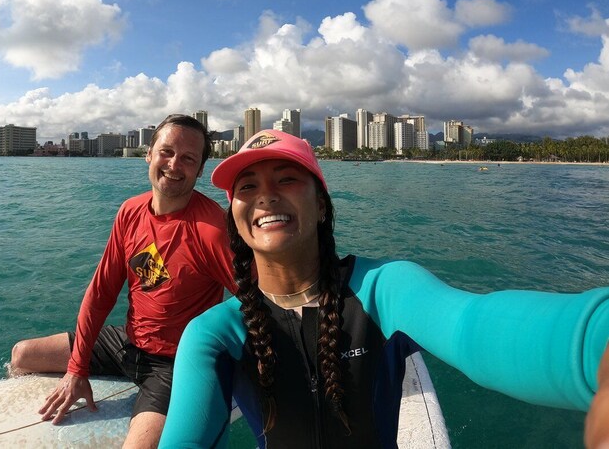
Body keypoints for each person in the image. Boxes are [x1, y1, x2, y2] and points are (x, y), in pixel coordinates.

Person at [159, 129, 609, 448]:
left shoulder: (383, 289)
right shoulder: (215, 334)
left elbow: (474, 326)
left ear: (320, 206)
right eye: (248, 186)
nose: (265, 195)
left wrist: (597, 348)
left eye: (286, 178)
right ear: (235, 217)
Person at [9, 114, 235, 449]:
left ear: (200, 169)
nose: (175, 164)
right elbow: (100, 293)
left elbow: (257, 302)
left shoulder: (212, 229)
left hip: (174, 366)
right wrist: (77, 369)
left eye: (189, 158)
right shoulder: (130, 212)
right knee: (22, 355)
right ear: (149, 154)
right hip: (127, 343)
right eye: (167, 152)